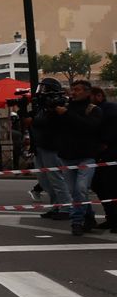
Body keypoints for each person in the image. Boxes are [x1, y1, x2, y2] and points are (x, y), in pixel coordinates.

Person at [58, 79, 105, 235]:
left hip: (86, 156)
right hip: (67, 156)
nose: (74, 93)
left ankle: (76, 221)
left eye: (77, 89)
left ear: (87, 92)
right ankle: (89, 216)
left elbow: (89, 127)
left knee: (81, 188)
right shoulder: (64, 108)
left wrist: (67, 114)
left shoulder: (93, 110)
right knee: (75, 192)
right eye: (72, 89)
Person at [31, 78, 73, 221]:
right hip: (40, 146)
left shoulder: (59, 103)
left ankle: (67, 207)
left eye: (44, 88)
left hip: (52, 146)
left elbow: (51, 123)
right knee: (44, 180)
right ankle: (56, 205)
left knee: (56, 178)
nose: (41, 92)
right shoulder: (42, 106)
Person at [90, 85, 117, 230]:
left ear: (99, 96)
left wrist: (105, 141)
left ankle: (113, 218)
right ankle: (111, 218)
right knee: (101, 185)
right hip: (104, 153)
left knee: (108, 186)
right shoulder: (104, 109)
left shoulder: (109, 109)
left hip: (110, 153)